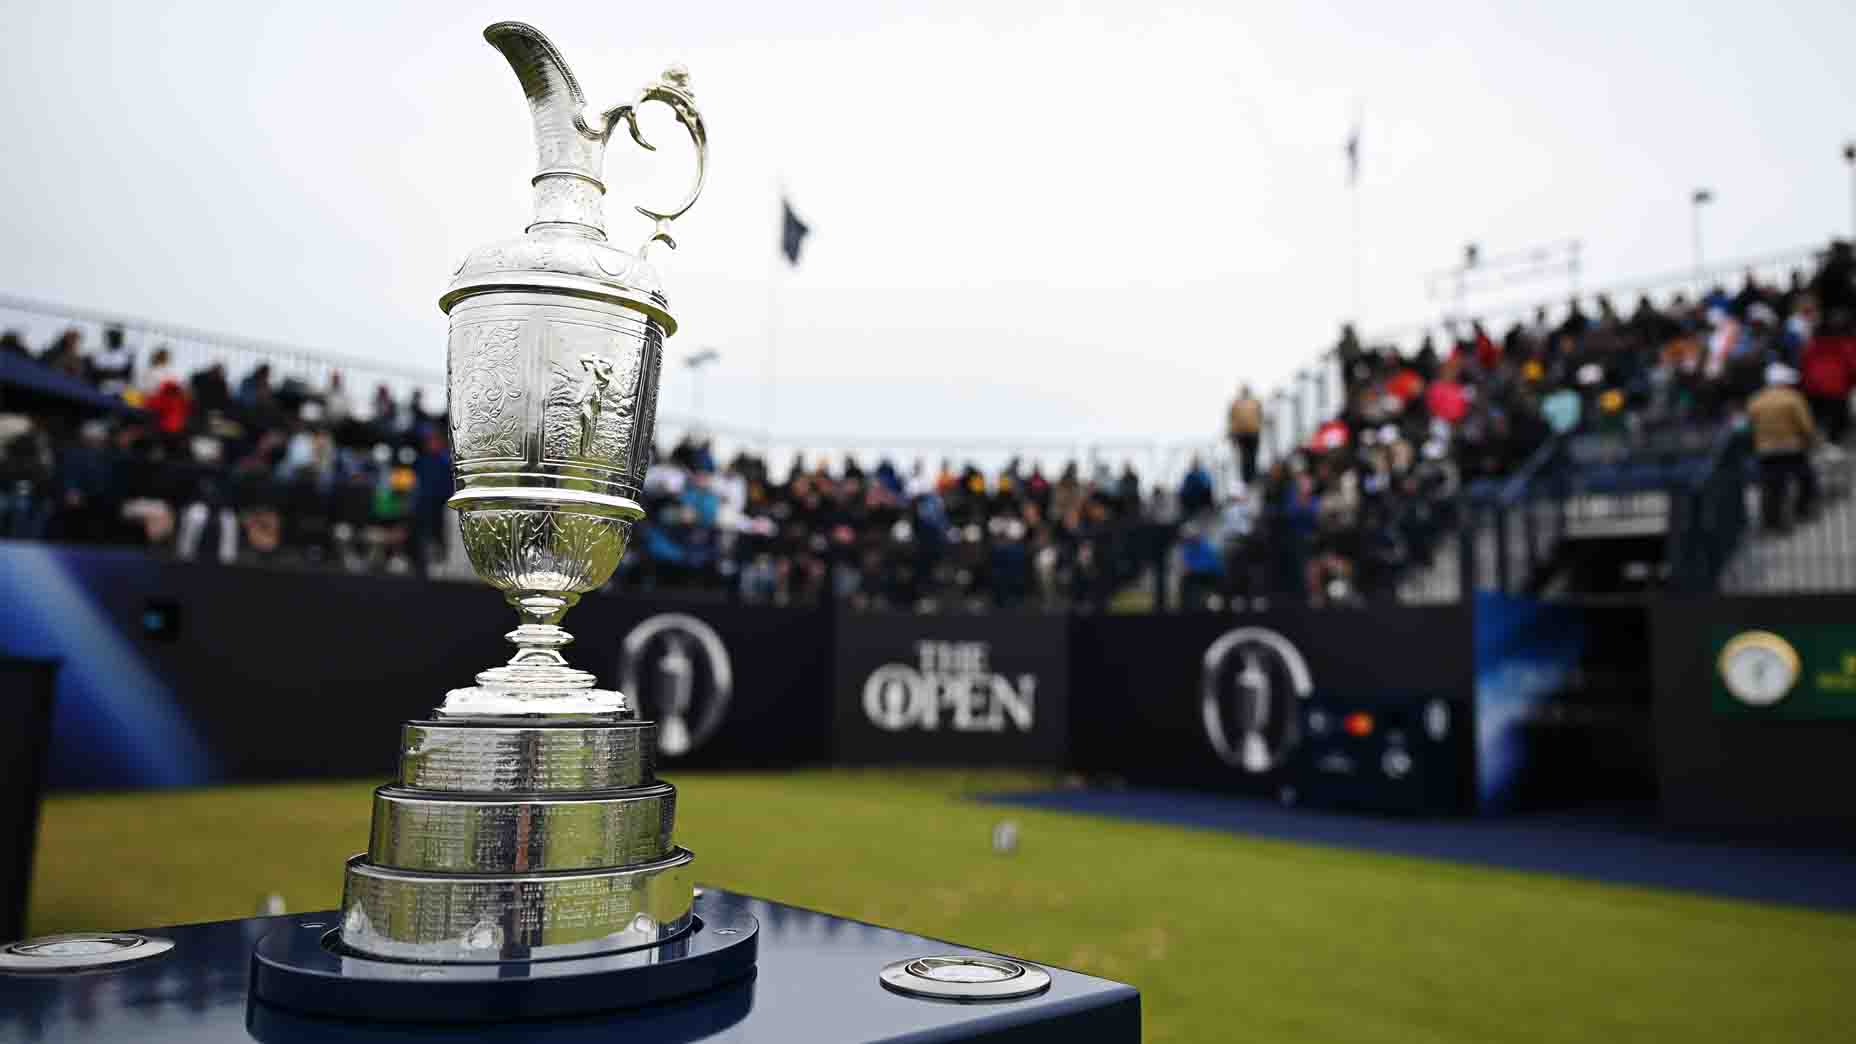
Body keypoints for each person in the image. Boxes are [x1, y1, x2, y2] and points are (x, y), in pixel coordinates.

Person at [1746, 363, 1819, 531]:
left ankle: (1771, 521)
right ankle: (1802, 510)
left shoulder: (1756, 400)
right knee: (1806, 480)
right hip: (1792, 448)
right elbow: (1805, 424)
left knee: (1771, 487)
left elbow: (1749, 425)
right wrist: (1812, 441)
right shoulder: (1793, 398)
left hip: (1765, 450)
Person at [1227, 384, 1263, 485]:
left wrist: (1232, 433)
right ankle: (1251, 478)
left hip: (1242, 433)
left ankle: (1247, 479)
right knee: (1251, 457)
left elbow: (1231, 418)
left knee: (1245, 457)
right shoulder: (1255, 402)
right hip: (1252, 432)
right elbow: (1260, 415)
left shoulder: (1236, 403)